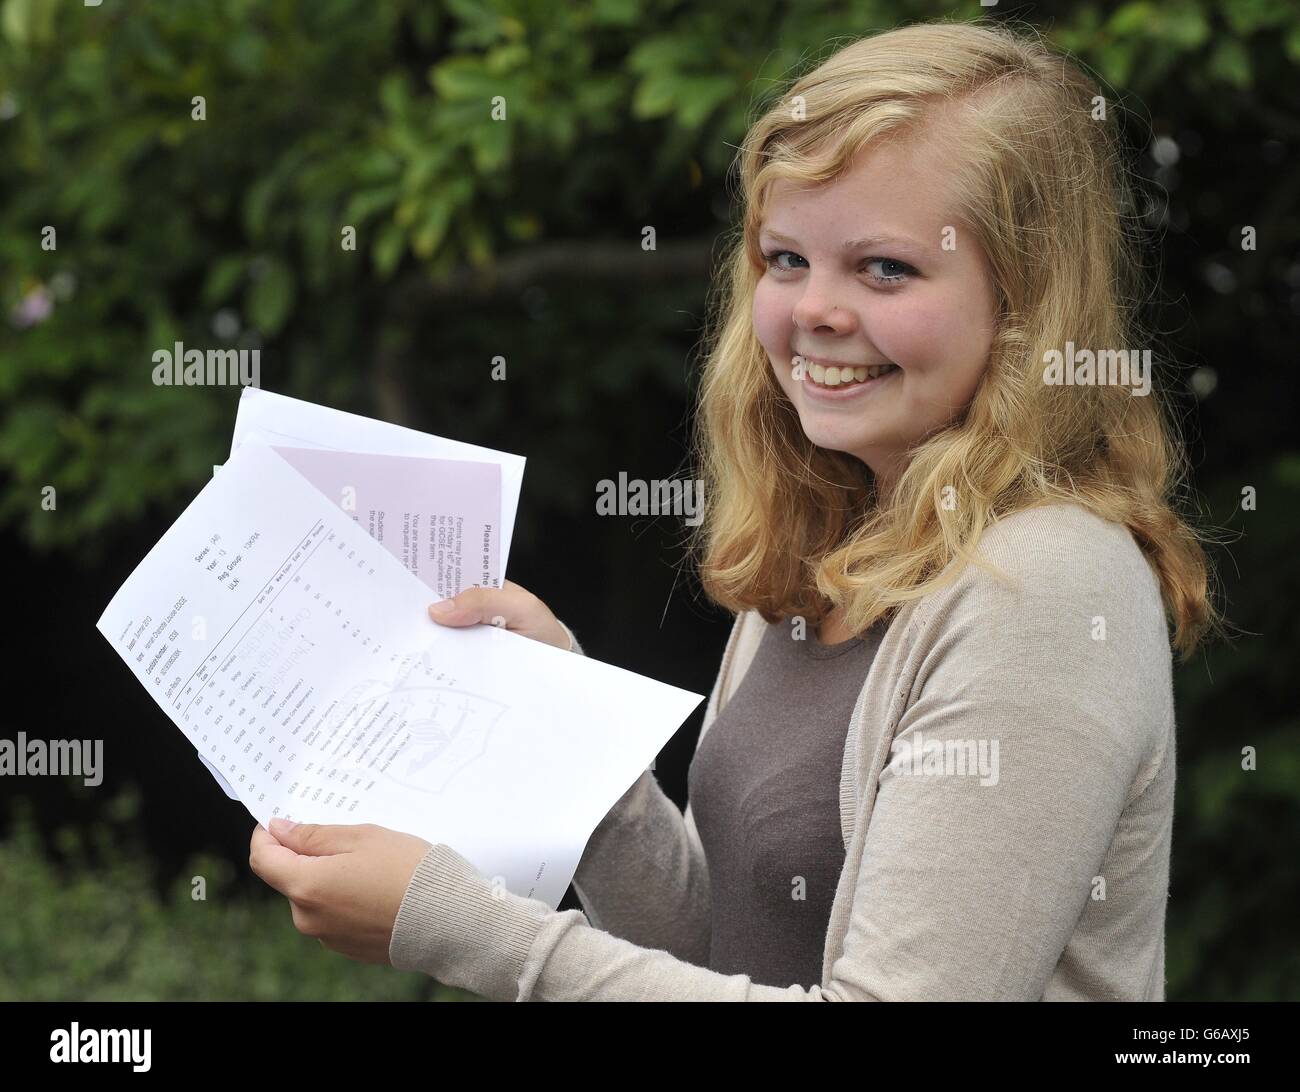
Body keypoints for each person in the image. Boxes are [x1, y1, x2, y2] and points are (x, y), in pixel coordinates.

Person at [249, 19, 1217, 1000]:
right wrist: (568, 734)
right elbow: (721, 952)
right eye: (786, 259)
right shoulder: (827, 545)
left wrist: (466, 930)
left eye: (885, 268)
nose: (814, 311)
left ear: (1026, 302)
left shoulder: (1045, 582)